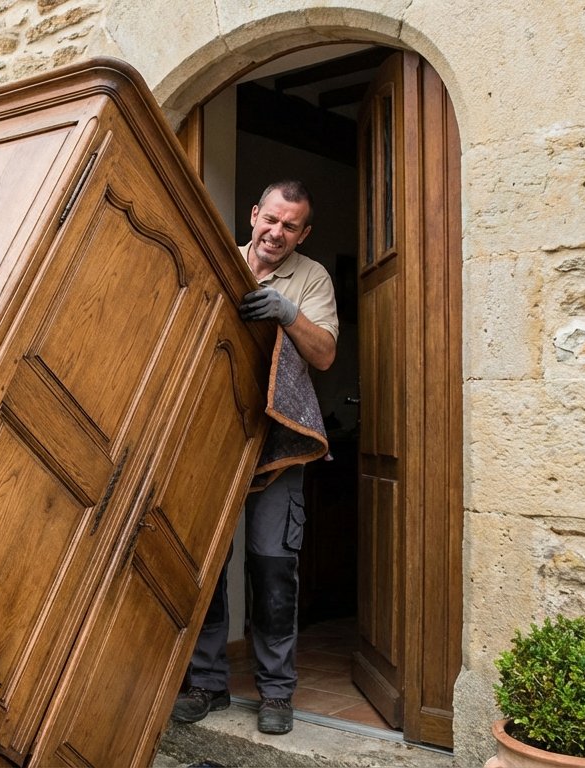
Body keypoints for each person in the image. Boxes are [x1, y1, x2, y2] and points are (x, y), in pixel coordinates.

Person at [171, 180, 338, 735]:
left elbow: (325, 354)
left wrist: (288, 313)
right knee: (207, 566)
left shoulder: (311, 277)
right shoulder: (220, 261)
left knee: (273, 566)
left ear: (303, 233)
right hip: (212, 439)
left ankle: (275, 693)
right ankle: (206, 683)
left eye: (290, 226)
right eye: (271, 219)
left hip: (278, 443)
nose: (277, 232)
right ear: (252, 215)